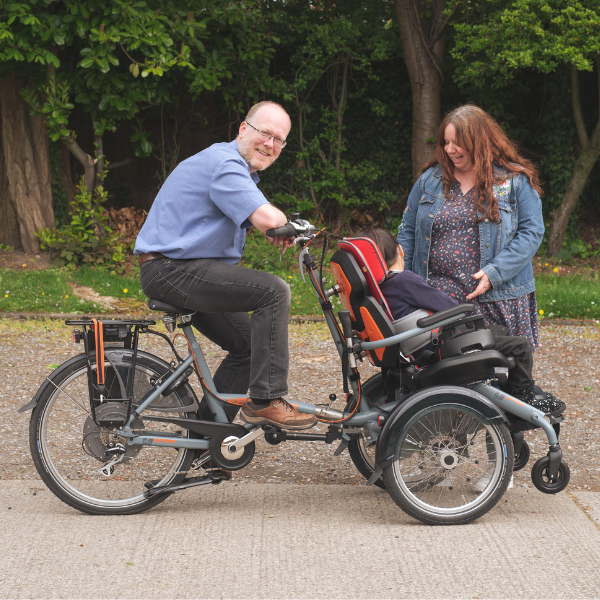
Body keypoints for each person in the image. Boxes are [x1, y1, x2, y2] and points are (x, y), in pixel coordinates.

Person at [134, 101, 316, 431]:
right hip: (172, 269)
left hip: (177, 269)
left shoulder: (233, 168)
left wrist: (270, 223)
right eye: (265, 133)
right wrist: (282, 222)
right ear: (243, 129)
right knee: (274, 291)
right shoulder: (226, 164)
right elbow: (267, 217)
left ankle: (207, 444)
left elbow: (253, 217)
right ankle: (266, 400)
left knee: (247, 347)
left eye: (279, 140)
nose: (270, 144)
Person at [361, 228, 563, 414]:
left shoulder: (378, 289)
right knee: (521, 346)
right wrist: (467, 310)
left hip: (416, 351)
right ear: (400, 250)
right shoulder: (403, 280)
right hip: (436, 349)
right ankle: (522, 398)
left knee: (499, 331)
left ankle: (508, 390)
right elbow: (448, 306)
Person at [397, 104, 544, 350]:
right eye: (446, 142)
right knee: (440, 378)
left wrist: (494, 273)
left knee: (500, 379)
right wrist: (402, 283)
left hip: (495, 298)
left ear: (479, 141)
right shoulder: (429, 181)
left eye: (457, 143)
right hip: (437, 304)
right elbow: (408, 233)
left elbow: (532, 234)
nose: (450, 149)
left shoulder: (513, 182)